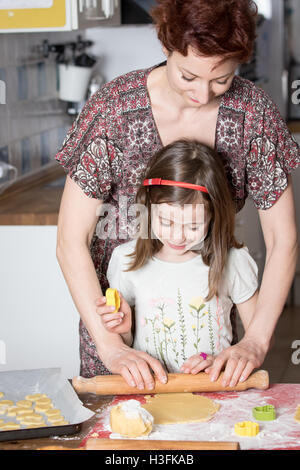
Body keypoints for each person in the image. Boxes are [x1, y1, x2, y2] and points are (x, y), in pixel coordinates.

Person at [55, 0, 299, 389]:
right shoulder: (114, 109)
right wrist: (111, 347)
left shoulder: (253, 113)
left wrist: (254, 341)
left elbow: (282, 238)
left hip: (205, 344)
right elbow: (71, 239)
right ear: (166, 46)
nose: (203, 94)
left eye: (221, 79)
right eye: (188, 76)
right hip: (120, 337)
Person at [98, 140, 260, 383]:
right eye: (166, 222)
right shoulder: (126, 261)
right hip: (153, 397)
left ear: (214, 215)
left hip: (215, 392)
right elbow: (126, 350)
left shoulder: (233, 261)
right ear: (148, 207)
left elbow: (256, 341)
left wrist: (221, 361)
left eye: (193, 226)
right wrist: (123, 332)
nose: (178, 236)